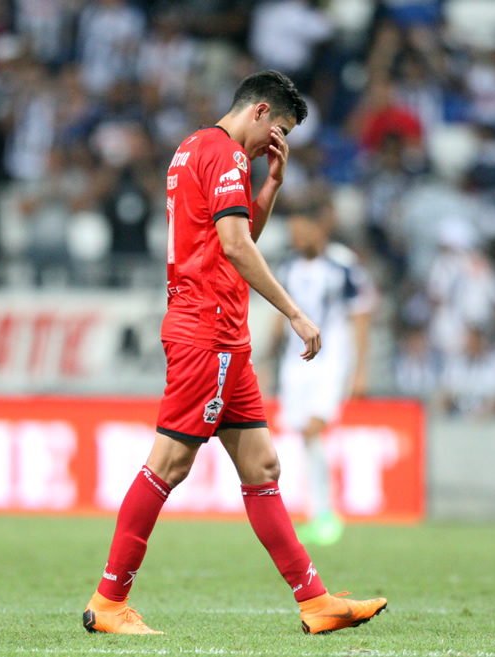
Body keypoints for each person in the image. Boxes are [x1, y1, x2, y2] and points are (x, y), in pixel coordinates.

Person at [81, 70, 387, 635]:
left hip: (220, 332)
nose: (277, 143)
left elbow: (236, 235)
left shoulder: (192, 149)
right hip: (208, 330)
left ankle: (316, 602)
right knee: (168, 464)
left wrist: (269, 184)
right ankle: (108, 602)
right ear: (261, 111)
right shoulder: (224, 154)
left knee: (262, 465)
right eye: (280, 131)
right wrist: (294, 311)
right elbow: (234, 245)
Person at [269, 208, 377, 546]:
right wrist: (263, 357)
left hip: (331, 361)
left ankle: (327, 513)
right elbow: (279, 315)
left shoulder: (342, 266)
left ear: (319, 228)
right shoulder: (288, 266)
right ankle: (320, 514)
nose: (294, 237)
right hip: (294, 363)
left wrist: (360, 370)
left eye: (300, 229)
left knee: (315, 427)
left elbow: (360, 316)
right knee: (305, 434)